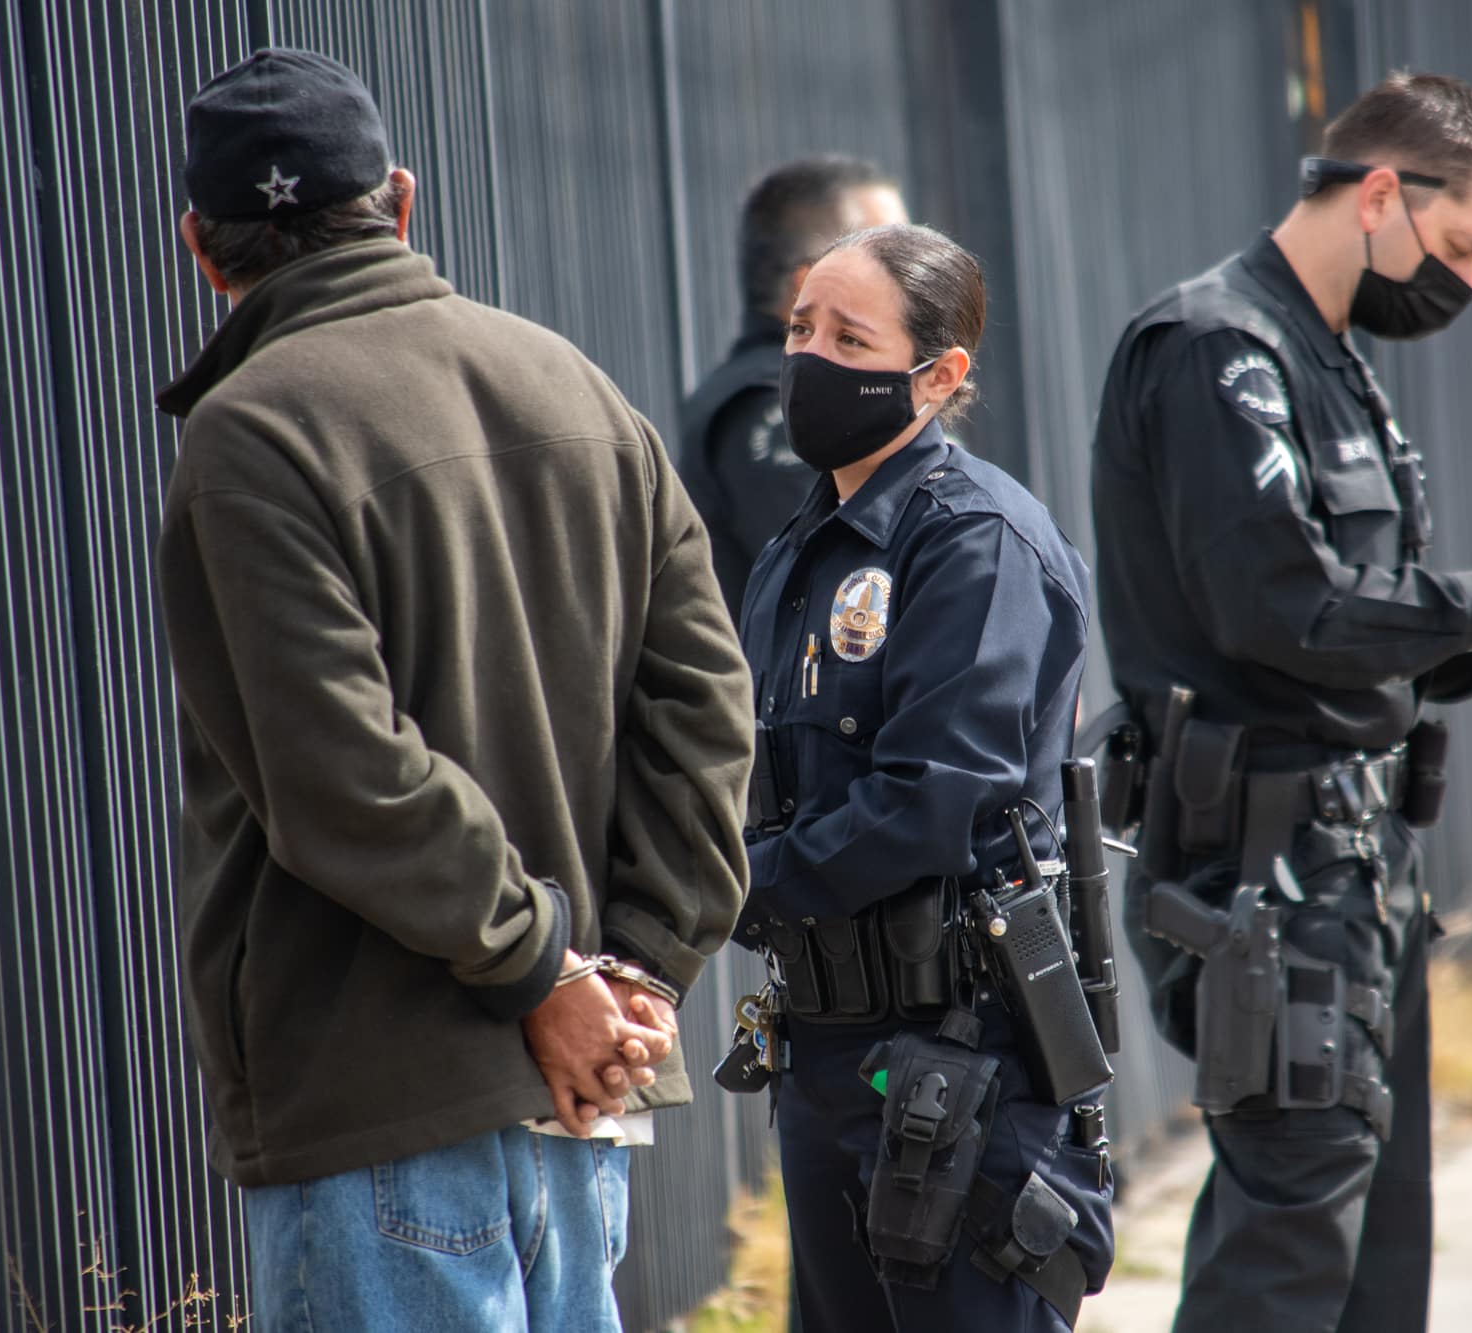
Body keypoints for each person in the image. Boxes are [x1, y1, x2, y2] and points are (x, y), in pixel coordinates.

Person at [154, 49, 753, 1331]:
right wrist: (634, 974)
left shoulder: (250, 433)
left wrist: (549, 975)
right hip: (585, 1090)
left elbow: (342, 774)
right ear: (402, 201)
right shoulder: (573, 385)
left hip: (379, 1104)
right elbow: (705, 705)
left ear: (204, 247)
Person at [1088, 73, 1472, 1332]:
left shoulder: (1327, 356)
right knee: (1289, 1246)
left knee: (1370, 1242)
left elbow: (1366, 640)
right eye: (1457, 245)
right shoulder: (1216, 350)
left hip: (1350, 868)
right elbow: (1278, 609)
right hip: (1260, 869)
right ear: (1375, 194)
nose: (1460, 282)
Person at [735, 222, 1114, 1331]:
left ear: (937, 375)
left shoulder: (973, 539)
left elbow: (932, 799)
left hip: (958, 1060)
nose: (810, 357)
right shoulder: (798, 549)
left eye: (850, 338)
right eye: (802, 327)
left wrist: (729, 885)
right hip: (825, 1051)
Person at [679, 156, 908, 622]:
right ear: (813, 283)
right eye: (894, 260)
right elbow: (850, 591)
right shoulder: (773, 404)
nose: (916, 278)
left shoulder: (857, 389)